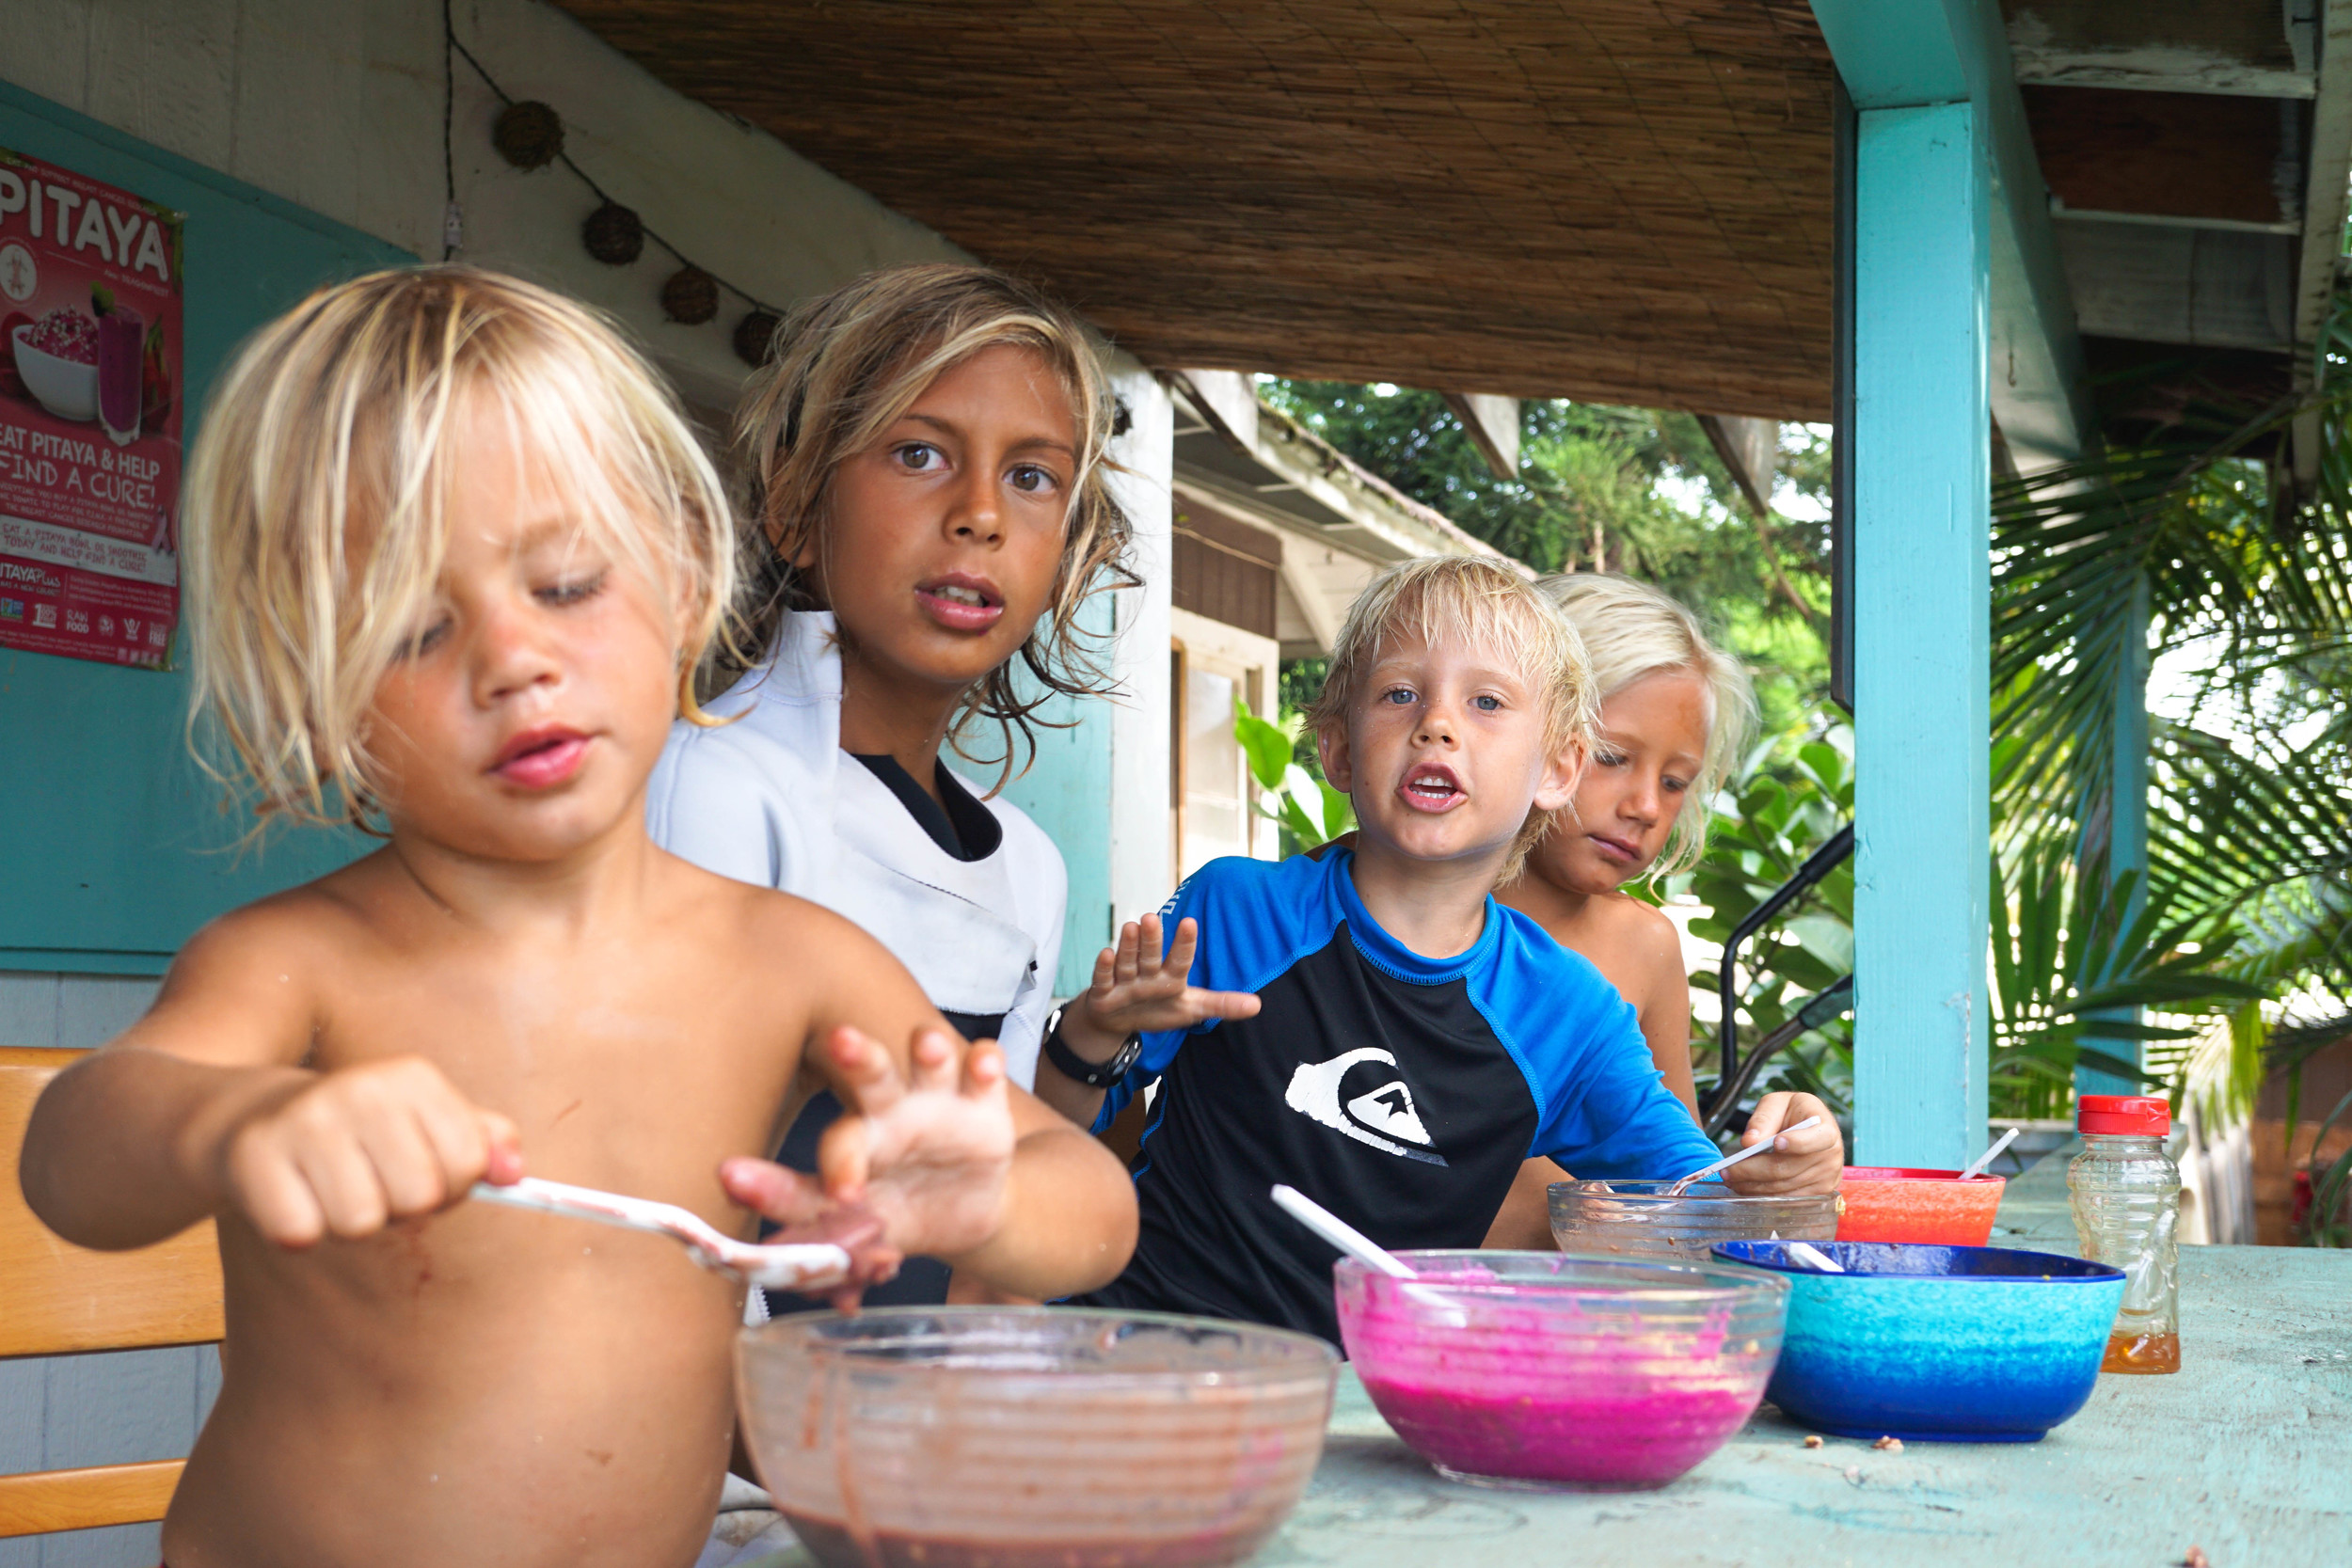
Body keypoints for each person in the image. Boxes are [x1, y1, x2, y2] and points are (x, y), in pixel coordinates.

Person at [16, 267, 1136, 1568]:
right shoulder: (298, 964)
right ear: (310, 691)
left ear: (683, 578)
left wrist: (980, 1190)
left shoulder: (784, 957)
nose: (513, 659)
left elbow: (1091, 1198)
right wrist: (238, 1120)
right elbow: (76, 1158)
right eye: (416, 628)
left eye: (563, 586)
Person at [1033, 555, 1843, 1345]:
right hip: (1139, 1351)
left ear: (1553, 767)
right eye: (1399, 694)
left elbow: (1704, 1210)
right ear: (1339, 749)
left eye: (1487, 701)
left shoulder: (1573, 1014)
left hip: (1376, 1407)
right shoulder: (1236, 909)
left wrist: (1791, 1167)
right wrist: (1091, 1038)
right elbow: (1038, 1133)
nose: (1439, 722)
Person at [646, 264, 1130, 1311]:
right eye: (919, 453)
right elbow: (682, 1216)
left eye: (1032, 477)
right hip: (733, 1440)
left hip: (909, 1434)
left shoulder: (1026, 865)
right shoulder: (720, 785)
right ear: (793, 510)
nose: (979, 515)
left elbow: (987, 1214)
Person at [1483, 571, 1763, 1248]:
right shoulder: (1365, 901)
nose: (1645, 805)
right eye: (1611, 757)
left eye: (1675, 782)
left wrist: (1778, 1172)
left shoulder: (1645, 947)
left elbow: (1681, 1188)